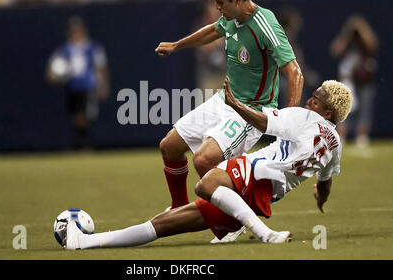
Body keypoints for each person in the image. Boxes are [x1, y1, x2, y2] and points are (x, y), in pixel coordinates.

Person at [61, 78, 352, 250]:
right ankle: (85, 242)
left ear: (327, 110)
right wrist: (321, 199)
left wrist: (236, 104)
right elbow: (326, 182)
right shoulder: (335, 144)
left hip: (253, 173)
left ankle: (265, 234)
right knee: (164, 224)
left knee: (207, 183)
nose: (309, 101)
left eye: (315, 99)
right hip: (259, 198)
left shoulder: (305, 118)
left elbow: (264, 121)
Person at [154, 0, 304, 226]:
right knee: (170, 146)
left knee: (204, 160)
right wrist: (177, 45)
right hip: (226, 100)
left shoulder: (265, 24)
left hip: (252, 111)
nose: (216, 7)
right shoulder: (232, 18)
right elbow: (213, 30)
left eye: (219, 2)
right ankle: (178, 208)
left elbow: (294, 72)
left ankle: (232, 221)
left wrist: (287, 121)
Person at [46, 16, 110, 150]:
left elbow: (100, 67)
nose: (76, 33)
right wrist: (54, 76)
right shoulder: (65, 49)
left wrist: (102, 85)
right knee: (76, 115)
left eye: (78, 30)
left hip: (88, 85)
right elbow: (53, 68)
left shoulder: (92, 47)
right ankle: (81, 142)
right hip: (72, 86)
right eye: (74, 31)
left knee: (86, 115)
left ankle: (83, 143)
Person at [330, 15, 378, 148]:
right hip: (348, 81)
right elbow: (335, 50)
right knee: (344, 109)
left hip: (365, 80)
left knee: (365, 108)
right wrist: (347, 33)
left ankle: (361, 136)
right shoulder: (348, 40)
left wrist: (363, 30)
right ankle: (342, 135)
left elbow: (373, 46)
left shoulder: (364, 40)